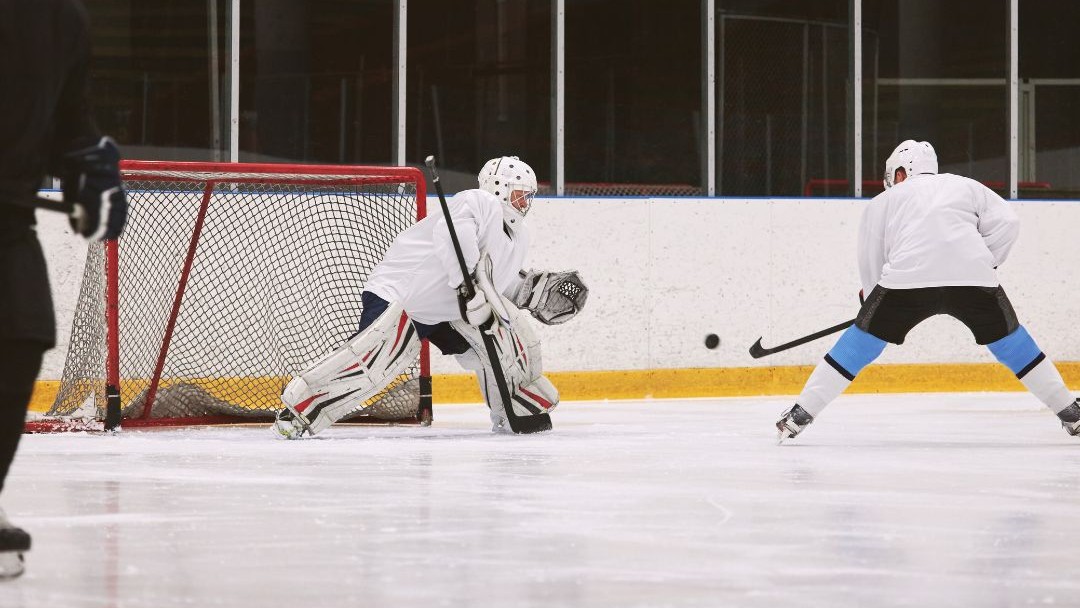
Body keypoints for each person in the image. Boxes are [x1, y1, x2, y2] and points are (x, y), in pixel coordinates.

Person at [776, 140, 1079, 442]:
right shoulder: (966, 186)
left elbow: (871, 255)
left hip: (905, 282)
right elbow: (1008, 222)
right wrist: (985, 260)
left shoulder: (884, 202)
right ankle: (1071, 414)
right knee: (1013, 343)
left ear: (900, 173)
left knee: (860, 345)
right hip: (973, 277)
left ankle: (799, 416)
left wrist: (870, 300)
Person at [273, 156, 587, 439]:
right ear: (499, 188)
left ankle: (510, 409)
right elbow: (453, 236)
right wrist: (468, 286)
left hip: (444, 309)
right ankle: (298, 409)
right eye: (521, 193)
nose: (526, 201)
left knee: (489, 351)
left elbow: (497, 282)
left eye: (529, 195)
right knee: (372, 366)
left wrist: (529, 292)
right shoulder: (478, 202)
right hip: (404, 292)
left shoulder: (519, 236)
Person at [0, 0, 128, 577]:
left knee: (23, 335)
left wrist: (85, 163)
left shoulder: (59, 18)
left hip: (6, 218)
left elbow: (69, 116)